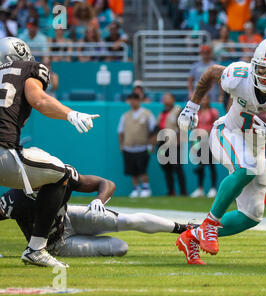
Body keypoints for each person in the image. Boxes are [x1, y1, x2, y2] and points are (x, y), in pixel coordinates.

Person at [176, 37, 266, 264]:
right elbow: (210, 73)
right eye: (262, 68)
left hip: (255, 145)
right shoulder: (239, 75)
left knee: (252, 215)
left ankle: (193, 235)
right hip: (228, 132)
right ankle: (209, 224)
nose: (265, 75)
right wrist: (192, 105)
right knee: (246, 167)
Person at [0, 37, 99, 267]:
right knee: (62, 174)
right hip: (3, 153)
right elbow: (39, 99)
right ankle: (36, 249)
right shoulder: (27, 68)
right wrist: (70, 114)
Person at [0, 168, 193, 258]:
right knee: (120, 247)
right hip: (55, 243)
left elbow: (106, 183)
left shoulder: (62, 175)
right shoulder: (15, 199)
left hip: (69, 217)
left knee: (129, 220)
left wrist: (99, 200)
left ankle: (185, 229)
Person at [118, 93, 156, 198]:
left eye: (135, 99)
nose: (133, 102)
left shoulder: (147, 114)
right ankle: (136, 188)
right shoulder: (125, 116)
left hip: (143, 147)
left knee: (142, 169)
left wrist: (152, 144)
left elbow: (154, 130)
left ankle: (146, 188)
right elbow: (120, 132)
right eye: (131, 100)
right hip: (129, 147)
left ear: (139, 101)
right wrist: (122, 145)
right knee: (132, 171)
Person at [156, 93, 187, 196]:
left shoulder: (178, 110)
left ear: (173, 99)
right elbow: (157, 128)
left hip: (174, 143)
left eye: (167, 98)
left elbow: (182, 126)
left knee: (177, 168)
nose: (165, 100)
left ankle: (183, 192)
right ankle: (171, 191)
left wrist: (179, 140)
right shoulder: (162, 113)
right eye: (164, 98)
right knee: (167, 169)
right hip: (163, 143)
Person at [190, 94, 219, 198]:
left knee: (211, 165)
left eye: (206, 99)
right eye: (202, 99)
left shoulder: (213, 112)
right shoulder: (198, 113)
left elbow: (216, 127)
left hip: (210, 141)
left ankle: (213, 188)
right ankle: (200, 188)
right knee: (200, 165)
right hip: (200, 141)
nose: (204, 101)